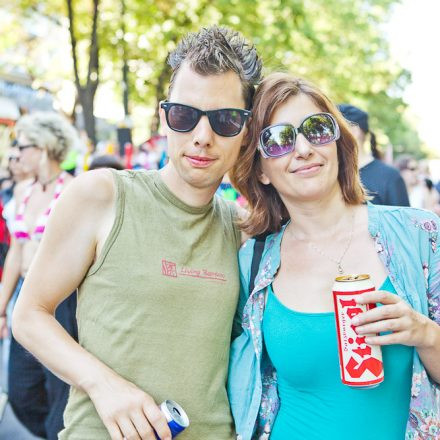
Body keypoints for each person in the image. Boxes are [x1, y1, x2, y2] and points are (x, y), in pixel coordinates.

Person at [12, 26, 262, 440]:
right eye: (185, 115)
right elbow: (29, 315)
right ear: (164, 117)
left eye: (225, 120)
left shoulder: (242, 229)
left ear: (246, 130)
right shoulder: (101, 195)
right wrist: (103, 385)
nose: (202, 136)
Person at [227, 73, 440, 440]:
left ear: (338, 142)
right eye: (278, 139)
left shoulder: (421, 235)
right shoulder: (253, 262)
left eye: (317, 129)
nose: (304, 148)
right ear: (260, 169)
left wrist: (426, 334)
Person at [0, 112, 79, 439]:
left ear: (44, 147)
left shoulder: (74, 191)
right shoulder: (22, 192)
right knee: (20, 389)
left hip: (61, 301)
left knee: (58, 385)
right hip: (26, 295)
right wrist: (2, 308)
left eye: (23, 145)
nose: (16, 153)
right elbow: (17, 252)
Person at [338, 104, 410, 206]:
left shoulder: (390, 177)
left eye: (336, 128)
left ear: (354, 131)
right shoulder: (333, 174)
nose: (330, 135)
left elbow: (402, 221)